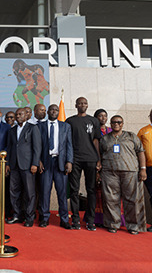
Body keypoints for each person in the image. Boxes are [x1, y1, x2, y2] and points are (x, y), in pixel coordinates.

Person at [100, 115, 147, 234]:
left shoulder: (131, 136)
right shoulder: (104, 139)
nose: (116, 124)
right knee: (110, 199)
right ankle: (113, 224)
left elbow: (141, 152)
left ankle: (133, 226)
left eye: (118, 122)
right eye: (113, 122)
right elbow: (99, 155)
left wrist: (143, 169)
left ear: (122, 123)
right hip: (109, 173)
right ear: (110, 124)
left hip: (130, 172)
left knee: (132, 199)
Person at [66, 97, 102, 231]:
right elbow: (67, 142)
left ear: (87, 105)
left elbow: (96, 141)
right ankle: (75, 220)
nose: (82, 105)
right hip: (75, 159)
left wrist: (98, 159)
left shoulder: (94, 121)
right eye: (80, 103)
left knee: (91, 190)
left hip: (91, 159)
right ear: (76, 105)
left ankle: (90, 221)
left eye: (85, 103)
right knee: (74, 190)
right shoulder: (70, 121)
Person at [38, 104, 73, 229]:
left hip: (61, 163)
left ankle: (64, 219)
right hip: (45, 162)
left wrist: (69, 161)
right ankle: (44, 218)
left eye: (56, 110)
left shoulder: (65, 126)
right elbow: (37, 147)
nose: (54, 111)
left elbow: (69, 145)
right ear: (47, 112)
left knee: (62, 193)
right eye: (52, 109)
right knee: (44, 192)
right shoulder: (40, 126)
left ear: (59, 112)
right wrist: (38, 161)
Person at [6, 108, 41, 227]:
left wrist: (35, 164)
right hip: (14, 165)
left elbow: (37, 148)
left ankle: (29, 218)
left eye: (20, 114)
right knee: (13, 191)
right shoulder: (12, 130)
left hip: (28, 165)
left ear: (26, 115)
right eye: (16, 114)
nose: (18, 116)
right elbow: (10, 148)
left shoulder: (33, 128)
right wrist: (8, 164)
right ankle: (17, 215)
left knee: (29, 193)